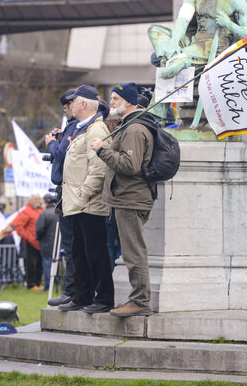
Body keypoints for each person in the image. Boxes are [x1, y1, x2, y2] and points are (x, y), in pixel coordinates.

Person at [91, 82, 156, 318]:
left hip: (131, 199)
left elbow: (130, 165)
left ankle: (140, 301)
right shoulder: (128, 126)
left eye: (116, 99)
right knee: (131, 251)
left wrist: (102, 150)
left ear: (129, 101)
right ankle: (136, 298)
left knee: (133, 252)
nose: (112, 103)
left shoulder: (135, 129)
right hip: (127, 198)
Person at [58, 85, 114, 314]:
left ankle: (104, 298)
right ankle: (82, 296)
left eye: (72, 102)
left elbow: (98, 169)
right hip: (78, 203)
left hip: (88, 203)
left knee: (96, 252)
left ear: (82, 104)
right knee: (79, 252)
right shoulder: (83, 128)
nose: (69, 106)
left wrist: (82, 195)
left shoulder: (95, 129)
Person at [45, 89, 78, 306]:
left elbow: (62, 153)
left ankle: (72, 291)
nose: (66, 111)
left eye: (67, 107)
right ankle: (72, 291)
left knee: (72, 245)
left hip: (70, 191)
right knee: (72, 245)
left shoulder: (76, 126)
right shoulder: (73, 126)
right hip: (66, 190)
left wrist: (51, 142)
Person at [13, 194, 44, 290]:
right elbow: (18, 225)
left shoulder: (41, 210)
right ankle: (31, 284)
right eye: (36, 199)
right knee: (31, 264)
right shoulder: (26, 211)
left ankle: (38, 283)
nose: (38, 201)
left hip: (41, 242)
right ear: (31, 201)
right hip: (31, 242)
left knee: (39, 264)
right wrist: (27, 237)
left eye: (39, 199)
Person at [35, 194, 58, 291]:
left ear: (45, 202)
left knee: (47, 265)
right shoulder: (58, 213)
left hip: (46, 244)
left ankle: (48, 286)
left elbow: (39, 229)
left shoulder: (44, 214)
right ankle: (58, 285)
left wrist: (38, 238)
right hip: (58, 243)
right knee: (58, 265)